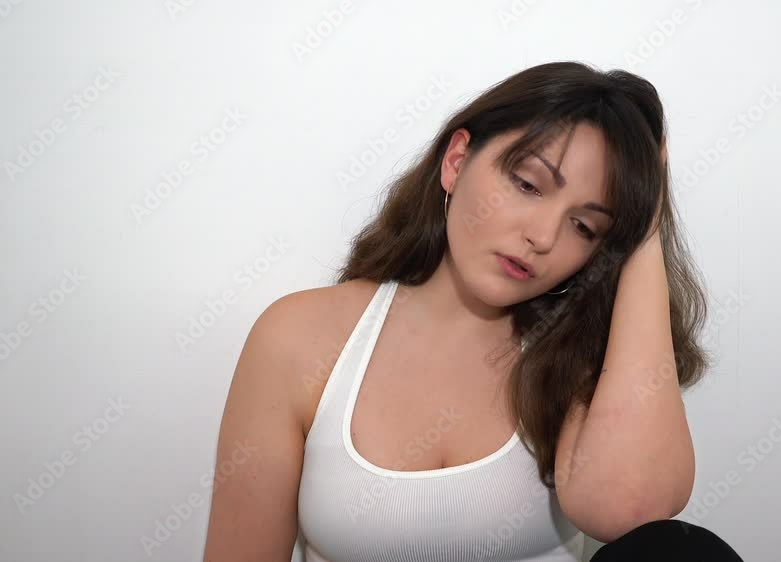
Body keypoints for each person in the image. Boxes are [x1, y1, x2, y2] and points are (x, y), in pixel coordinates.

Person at [201, 61, 745, 561]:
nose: (542, 236)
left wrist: (645, 230)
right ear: (457, 161)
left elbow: (634, 513)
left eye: (586, 226)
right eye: (528, 184)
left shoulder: (586, 359)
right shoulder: (298, 338)